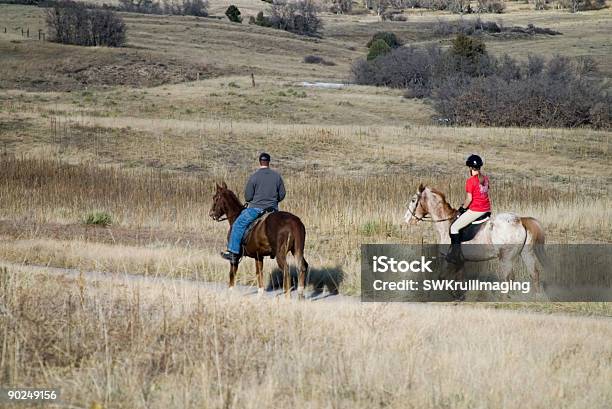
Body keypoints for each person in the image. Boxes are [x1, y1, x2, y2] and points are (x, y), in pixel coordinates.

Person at [221, 152, 286, 265]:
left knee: (238, 224)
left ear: (260, 162)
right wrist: (274, 201)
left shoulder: (254, 176)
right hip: (273, 211)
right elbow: (282, 194)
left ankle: (233, 253)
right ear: (268, 162)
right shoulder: (277, 176)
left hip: (256, 209)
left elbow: (248, 196)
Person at [446, 154, 491, 264]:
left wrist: (461, 209)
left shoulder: (471, 181)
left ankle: (455, 255)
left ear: (470, 168)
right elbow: (482, 194)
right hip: (486, 210)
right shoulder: (485, 179)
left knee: (454, 228)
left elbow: (469, 199)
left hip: (476, 210)